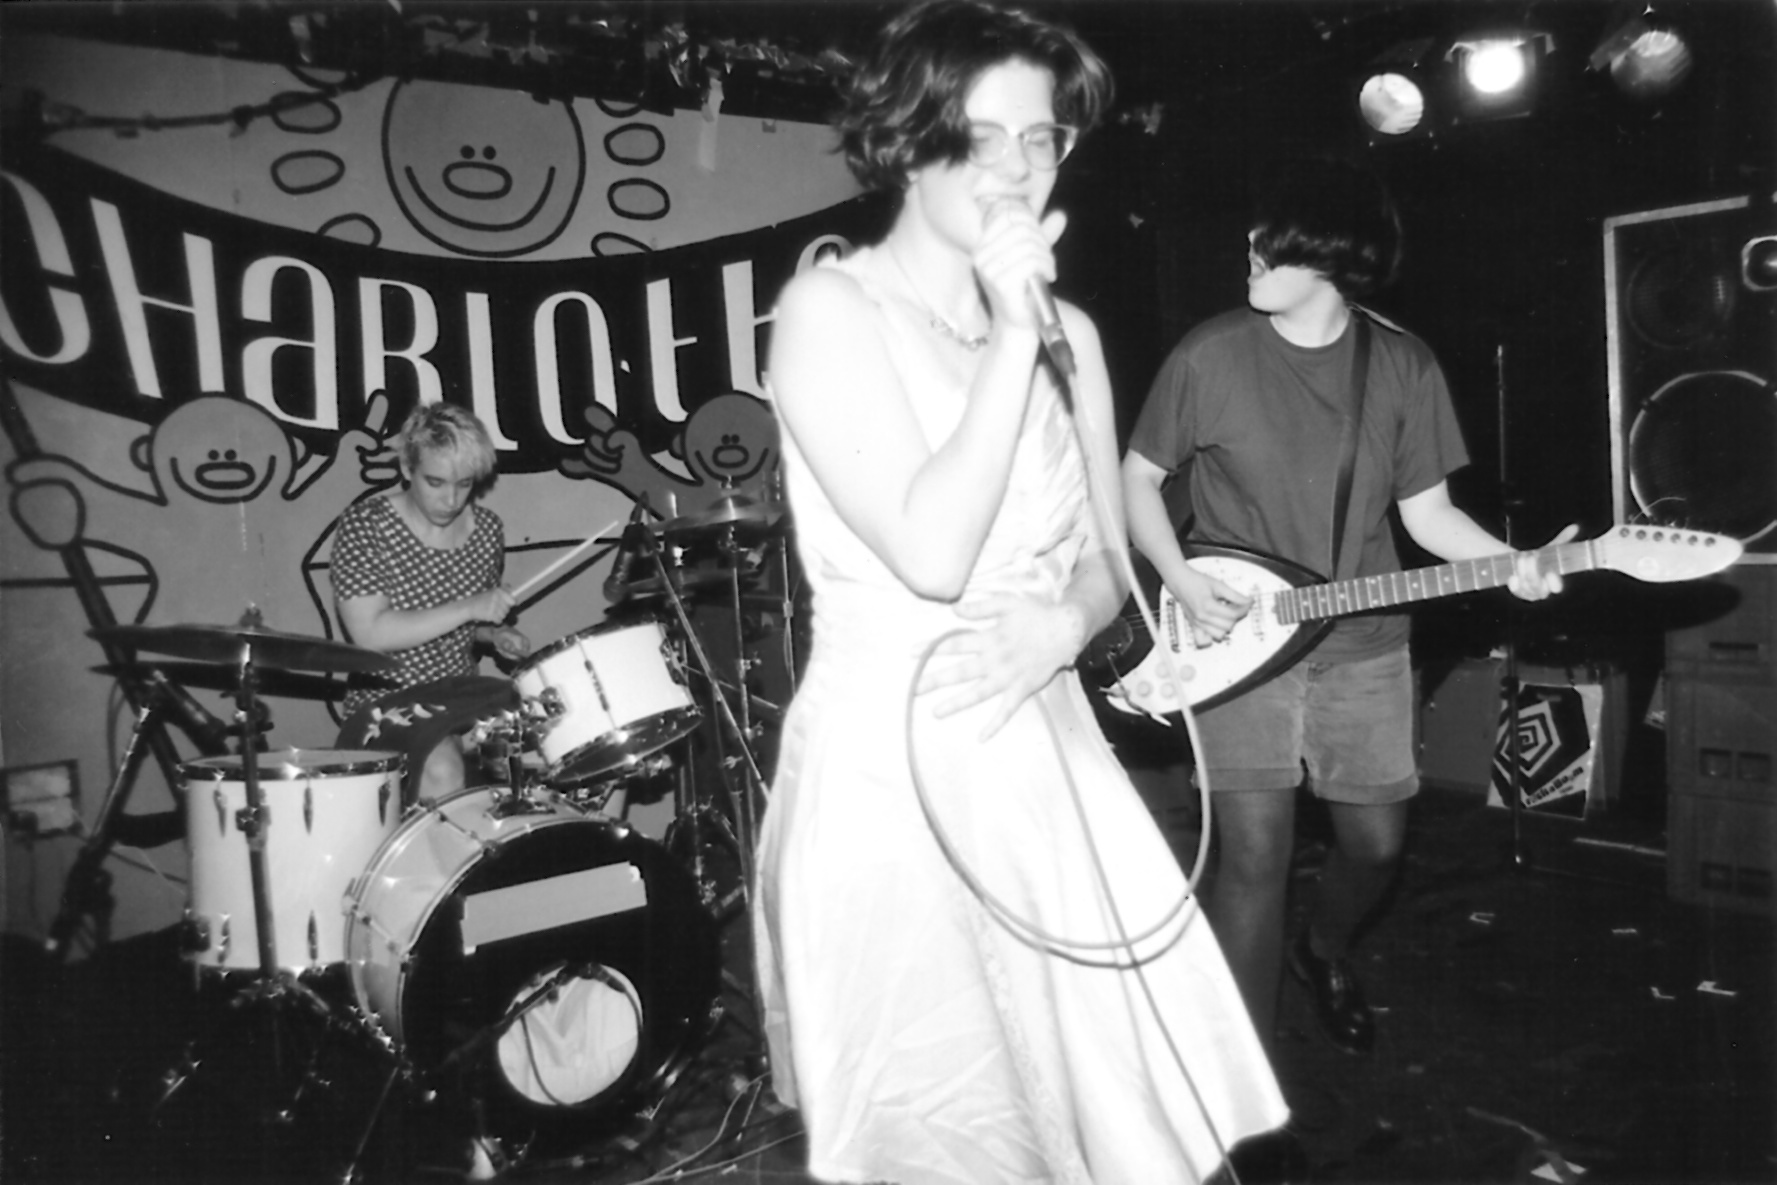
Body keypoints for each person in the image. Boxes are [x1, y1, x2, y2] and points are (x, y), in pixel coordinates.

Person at [751, 3, 1288, 1181]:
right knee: (943, 1125)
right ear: (908, 140)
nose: (1017, 167)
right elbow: (931, 552)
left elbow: (1108, 560)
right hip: (892, 773)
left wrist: (1065, 621)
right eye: (981, 137)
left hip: (1042, 752)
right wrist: (1009, 337)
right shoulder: (827, 312)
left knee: (1097, 1113)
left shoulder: (1073, 337)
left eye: (1039, 139)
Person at [1121, 158, 1569, 1058]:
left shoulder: (1401, 366)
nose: (1249, 250)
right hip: (1234, 641)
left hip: (1362, 645)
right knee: (1254, 856)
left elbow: (1427, 517)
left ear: (1329, 257)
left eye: (1271, 242)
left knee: (1375, 845)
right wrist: (1179, 577)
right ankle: (1240, 1090)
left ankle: (1320, 948)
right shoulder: (1208, 354)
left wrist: (1513, 564)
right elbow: (1136, 479)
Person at [331, 401, 529, 804]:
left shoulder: (487, 529)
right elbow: (370, 633)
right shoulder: (366, 525)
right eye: (435, 482)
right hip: (386, 703)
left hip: (462, 694)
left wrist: (494, 634)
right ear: (407, 468)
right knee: (442, 770)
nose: (451, 499)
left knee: (565, 740)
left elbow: (467, 627)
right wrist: (470, 607)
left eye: (464, 484)